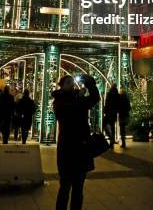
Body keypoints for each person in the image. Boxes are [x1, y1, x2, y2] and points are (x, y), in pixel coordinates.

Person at [53, 74, 100, 210]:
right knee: (65, 187)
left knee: (78, 188)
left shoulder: (78, 99)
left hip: (81, 148)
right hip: (67, 149)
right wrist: (79, 98)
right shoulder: (59, 101)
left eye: (73, 82)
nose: (72, 84)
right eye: (68, 82)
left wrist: (91, 84)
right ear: (62, 85)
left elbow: (95, 98)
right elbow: (68, 112)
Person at [103, 83, 119, 147]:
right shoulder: (117, 95)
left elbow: (106, 103)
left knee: (104, 125)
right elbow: (118, 104)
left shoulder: (109, 94)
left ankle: (110, 138)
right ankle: (112, 140)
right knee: (112, 127)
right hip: (114, 113)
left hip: (109, 112)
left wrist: (105, 110)